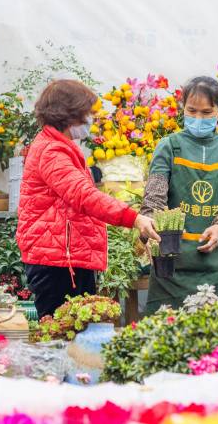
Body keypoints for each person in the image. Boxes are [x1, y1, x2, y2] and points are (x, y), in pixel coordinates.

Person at [16, 79, 159, 318]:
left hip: (64, 256)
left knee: (74, 334)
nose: (91, 120)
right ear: (69, 114)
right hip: (58, 261)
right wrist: (133, 218)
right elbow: (84, 196)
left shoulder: (57, 146)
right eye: (87, 114)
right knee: (62, 337)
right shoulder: (52, 152)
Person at [140, 76, 218, 313]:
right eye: (192, 111)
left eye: (206, 111)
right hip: (170, 273)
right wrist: (150, 229)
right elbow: (153, 200)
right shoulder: (169, 146)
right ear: (183, 108)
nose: (198, 118)